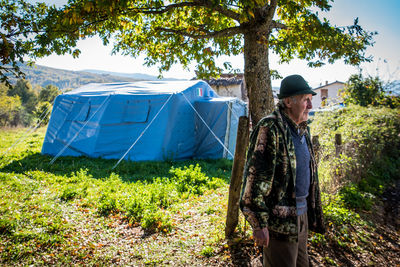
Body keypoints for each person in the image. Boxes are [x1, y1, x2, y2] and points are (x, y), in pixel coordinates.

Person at [240, 74, 325, 267]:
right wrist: (259, 223)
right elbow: (254, 178)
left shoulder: (302, 129)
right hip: (279, 222)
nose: (310, 106)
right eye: (306, 100)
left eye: (310, 100)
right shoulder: (270, 128)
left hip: (301, 216)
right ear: (288, 101)